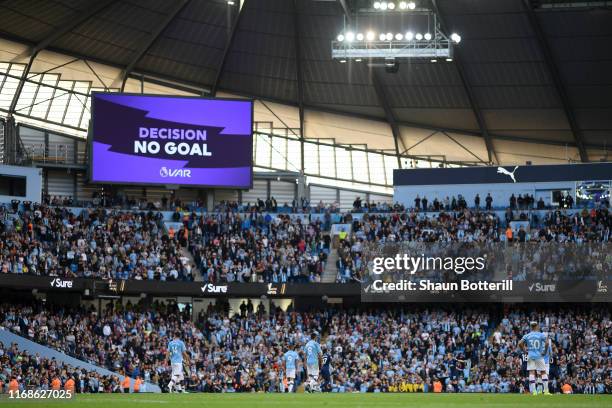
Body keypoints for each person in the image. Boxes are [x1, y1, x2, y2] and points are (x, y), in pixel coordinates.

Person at [518, 321, 550, 395]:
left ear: (531, 327)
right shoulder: (540, 335)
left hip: (531, 355)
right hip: (539, 355)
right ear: (536, 326)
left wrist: (524, 350)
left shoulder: (527, 335)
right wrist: (545, 351)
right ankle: (546, 391)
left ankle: (534, 391)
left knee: (531, 373)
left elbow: (520, 343)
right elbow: (547, 343)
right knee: (543, 372)